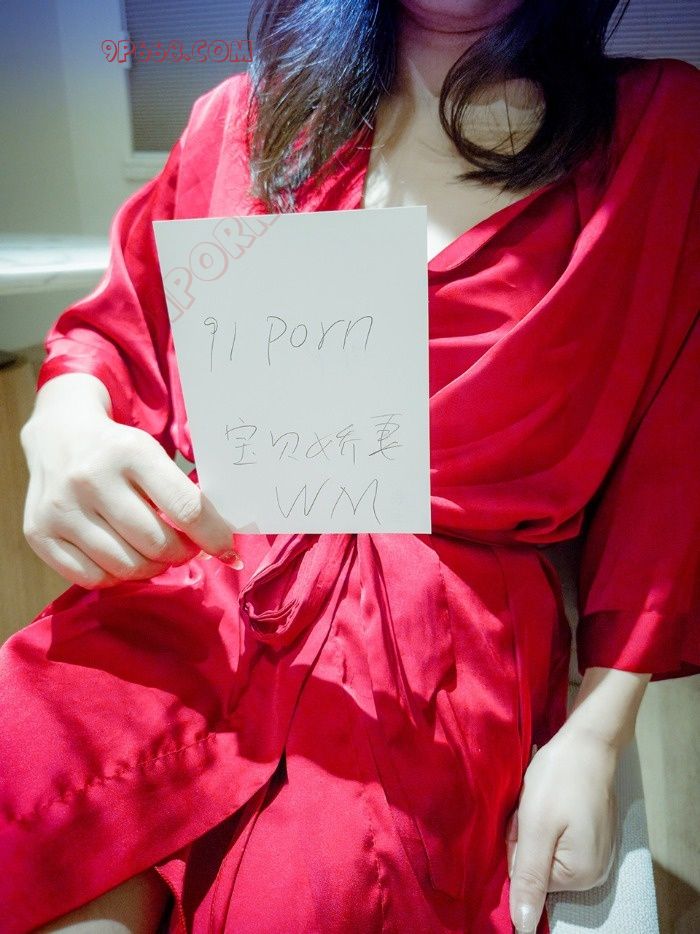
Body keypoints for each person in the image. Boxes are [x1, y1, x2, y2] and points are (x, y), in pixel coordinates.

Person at [1, 1, 699, 932]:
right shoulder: (242, 119)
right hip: (201, 596)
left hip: (426, 661)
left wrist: (598, 730)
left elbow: (670, 468)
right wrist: (64, 418)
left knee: (304, 899)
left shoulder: (657, 138)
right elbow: (120, 322)